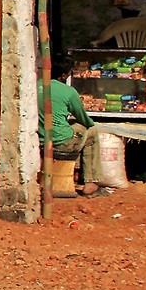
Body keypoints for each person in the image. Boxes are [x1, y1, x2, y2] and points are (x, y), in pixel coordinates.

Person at [39, 61, 103, 196]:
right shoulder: (68, 91)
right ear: (63, 76)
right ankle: (91, 183)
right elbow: (83, 119)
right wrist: (89, 123)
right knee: (91, 133)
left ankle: (76, 175)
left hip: (40, 139)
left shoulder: (36, 85)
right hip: (60, 142)